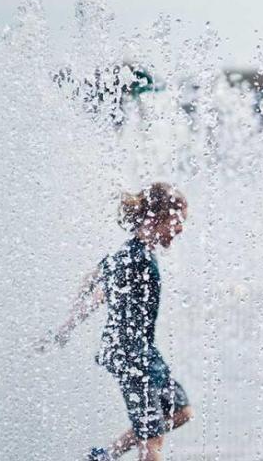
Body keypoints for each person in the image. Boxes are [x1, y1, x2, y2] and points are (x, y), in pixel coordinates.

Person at [36, 183, 194, 461]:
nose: (181, 229)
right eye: (177, 221)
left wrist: (71, 317)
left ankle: (106, 455)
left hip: (144, 351)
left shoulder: (134, 253)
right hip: (129, 353)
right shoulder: (133, 257)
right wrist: (66, 329)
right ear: (155, 218)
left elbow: (92, 276)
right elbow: (99, 291)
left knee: (180, 411)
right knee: (152, 438)